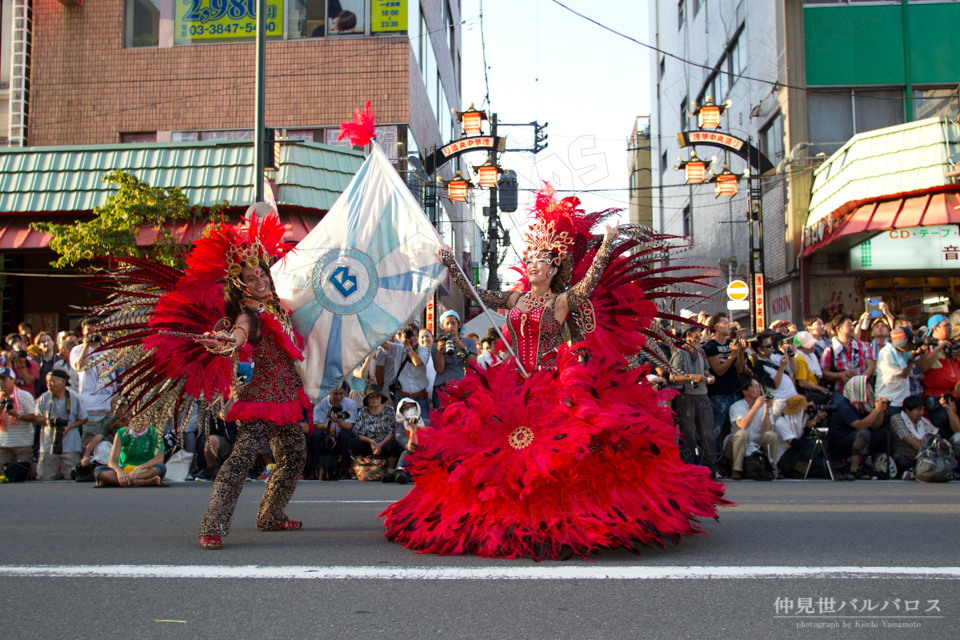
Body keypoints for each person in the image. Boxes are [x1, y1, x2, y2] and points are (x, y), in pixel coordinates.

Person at [381, 185, 728, 559]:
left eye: (541, 260)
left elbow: (590, 284)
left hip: (550, 382)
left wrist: (608, 245)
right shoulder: (514, 299)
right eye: (530, 259)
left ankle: (563, 522)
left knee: (559, 457)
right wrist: (450, 262)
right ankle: (505, 521)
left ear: (554, 269)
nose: (533, 264)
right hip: (512, 382)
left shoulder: (562, 301)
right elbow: (474, 291)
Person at [192, 217, 311, 549]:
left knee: (295, 456)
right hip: (262, 397)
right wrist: (227, 341)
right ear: (241, 286)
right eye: (251, 277)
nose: (259, 279)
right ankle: (213, 524)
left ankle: (271, 515)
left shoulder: (276, 307)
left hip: (287, 396)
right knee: (243, 458)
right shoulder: (250, 315)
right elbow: (238, 335)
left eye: (261, 273)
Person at [670, 326, 716, 473]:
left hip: (703, 395)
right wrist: (691, 377)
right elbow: (672, 377)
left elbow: (706, 371)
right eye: (698, 332)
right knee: (688, 434)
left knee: (707, 433)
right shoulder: (679, 352)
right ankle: (689, 467)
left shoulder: (701, 351)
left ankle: (709, 469)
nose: (700, 335)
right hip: (686, 396)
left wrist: (710, 377)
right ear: (689, 334)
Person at [828, 375, 889, 479]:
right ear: (857, 389)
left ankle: (877, 465)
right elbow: (859, 426)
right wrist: (876, 410)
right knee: (863, 433)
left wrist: (881, 410)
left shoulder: (864, 405)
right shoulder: (844, 405)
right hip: (840, 444)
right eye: (866, 388)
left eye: (870, 387)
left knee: (885, 432)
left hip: (856, 439)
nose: (870, 391)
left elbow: (875, 426)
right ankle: (854, 468)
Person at [70, 318, 119, 446]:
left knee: (109, 442)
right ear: (83, 332)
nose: (93, 334)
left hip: (110, 404)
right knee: (88, 443)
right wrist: (86, 345)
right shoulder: (77, 350)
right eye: (89, 331)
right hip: (90, 406)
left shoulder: (111, 349)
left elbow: (120, 373)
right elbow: (80, 367)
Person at [32, 370, 88, 481]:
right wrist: (47, 421)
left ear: (63, 382)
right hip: (48, 444)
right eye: (47, 381)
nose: (48, 384)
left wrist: (69, 427)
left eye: (52, 381)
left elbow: (84, 418)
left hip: (70, 443)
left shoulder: (74, 397)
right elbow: (36, 418)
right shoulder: (44, 397)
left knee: (72, 476)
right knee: (44, 477)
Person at [703, 312, 745, 443]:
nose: (728, 326)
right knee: (716, 430)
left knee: (736, 429)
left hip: (735, 392)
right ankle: (712, 460)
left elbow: (740, 369)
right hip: (720, 394)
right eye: (725, 323)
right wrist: (732, 355)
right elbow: (718, 371)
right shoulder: (711, 346)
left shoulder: (732, 343)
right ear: (716, 327)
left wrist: (741, 353)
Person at [918, 314, 960, 440]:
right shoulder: (928, 346)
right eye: (946, 325)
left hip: (955, 395)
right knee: (942, 431)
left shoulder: (953, 346)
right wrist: (939, 347)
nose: (950, 328)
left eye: (949, 325)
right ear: (935, 328)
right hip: (936, 397)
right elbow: (924, 366)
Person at [93, 417, 167, 487]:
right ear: (130, 419)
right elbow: (112, 461)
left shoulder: (155, 432)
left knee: (160, 468)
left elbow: (159, 458)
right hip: (125, 469)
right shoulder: (121, 433)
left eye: (145, 419)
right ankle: (145, 482)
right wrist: (119, 472)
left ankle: (115, 481)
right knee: (99, 471)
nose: (143, 422)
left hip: (145, 469)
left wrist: (139, 468)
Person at [348, 383, 400, 480]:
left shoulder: (389, 410)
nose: (374, 399)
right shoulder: (363, 412)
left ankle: (390, 471)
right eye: (371, 397)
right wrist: (370, 442)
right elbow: (359, 433)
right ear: (367, 400)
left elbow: (392, 432)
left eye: (377, 396)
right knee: (352, 442)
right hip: (369, 444)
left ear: (381, 398)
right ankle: (361, 468)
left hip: (384, 443)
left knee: (393, 444)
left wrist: (380, 445)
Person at [773, 395, 830, 478]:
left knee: (824, 466)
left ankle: (839, 470)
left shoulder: (804, 419)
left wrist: (817, 420)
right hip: (783, 458)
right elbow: (797, 445)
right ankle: (797, 470)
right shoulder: (781, 423)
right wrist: (808, 429)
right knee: (813, 444)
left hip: (798, 456)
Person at [430, 310, 477, 409]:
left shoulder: (469, 342)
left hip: (462, 387)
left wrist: (462, 347)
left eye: (453, 323)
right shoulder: (436, 345)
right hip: (442, 387)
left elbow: (473, 363)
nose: (450, 326)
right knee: (441, 420)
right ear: (442, 326)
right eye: (447, 324)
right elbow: (439, 370)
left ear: (459, 324)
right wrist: (439, 350)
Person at [309, 383, 357, 480]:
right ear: (329, 392)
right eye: (335, 394)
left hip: (341, 439)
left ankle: (345, 469)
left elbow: (349, 426)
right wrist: (327, 427)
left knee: (346, 434)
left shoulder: (350, 403)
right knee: (316, 435)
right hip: (326, 437)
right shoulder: (320, 403)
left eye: (341, 393)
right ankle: (316, 469)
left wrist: (338, 423)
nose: (338, 397)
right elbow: (317, 425)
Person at [820, 314, 875, 394]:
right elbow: (824, 373)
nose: (852, 327)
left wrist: (859, 381)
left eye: (852, 325)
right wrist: (841, 375)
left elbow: (871, 366)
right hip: (841, 393)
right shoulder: (829, 351)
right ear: (838, 329)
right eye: (848, 325)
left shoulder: (864, 346)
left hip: (862, 392)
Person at [889, 395, 939, 478]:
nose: (921, 413)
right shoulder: (897, 419)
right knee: (902, 462)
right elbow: (909, 441)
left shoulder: (923, 421)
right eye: (918, 410)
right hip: (907, 457)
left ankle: (915, 472)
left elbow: (936, 436)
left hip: (922, 458)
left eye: (922, 409)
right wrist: (928, 455)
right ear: (908, 410)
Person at [751, 332, 799, 417]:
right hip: (781, 403)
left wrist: (790, 353)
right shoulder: (758, 368)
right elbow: (774, 385)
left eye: (771, 344)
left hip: (794, 398)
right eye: (769, 346)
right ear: (760, 349)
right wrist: (781, 367)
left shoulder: (777, 354)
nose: (772, 347)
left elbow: (794, 370)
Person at [875, 327, 920, 416]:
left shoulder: (907, 351)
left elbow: (922, 367)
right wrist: (912, 358)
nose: (900, 346)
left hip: (903, 400)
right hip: (889, 401)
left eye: (903, 344)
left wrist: (922, 351)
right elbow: (904, 374)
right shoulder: (886, 353)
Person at [390, 324, 431, 417]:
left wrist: (408, 347)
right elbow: (382, 344)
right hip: (402, 397)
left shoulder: (424, 350)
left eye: (414, 335)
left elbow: (417, 362)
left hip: (420, 398)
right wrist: (392, 329)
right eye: (408, 334)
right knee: (401, 428)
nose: (411, 337)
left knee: (423, 428)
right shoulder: (398, 348)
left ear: (418, 336)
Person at [0, 367, 37, 471]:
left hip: (22, 444)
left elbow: (33, 417)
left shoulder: (24, 396)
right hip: (3, 444)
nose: (1, 382)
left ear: (13, 380)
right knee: (2, 475)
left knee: (24, 473)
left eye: (4, 379)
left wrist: (17, 415)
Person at [393, 397, 424, 485]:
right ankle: (400, 471)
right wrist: (413, 429)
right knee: (406, 452)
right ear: (401, 412)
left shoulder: (427, 423)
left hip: (429, 452)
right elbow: (412, 448)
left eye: (411, 407)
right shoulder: (400, 431)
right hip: (413, 454)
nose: (409, 410)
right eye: (406, 408)